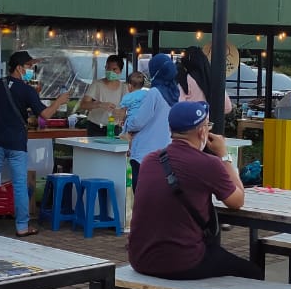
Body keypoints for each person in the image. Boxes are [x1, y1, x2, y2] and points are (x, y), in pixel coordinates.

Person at [128, 101, 276, 289]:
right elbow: (237, 200)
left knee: (210, 266)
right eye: (207, 125)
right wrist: (225, 155)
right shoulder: (208, 164)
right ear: (201, 132)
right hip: (179, 260)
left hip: (140, 257)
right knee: (253, 275)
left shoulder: (153, 159)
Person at [0, 51, 70, 236]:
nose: (30, 70)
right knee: (19, 185)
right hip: (16, 143)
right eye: (28, 66)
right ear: (19, 67)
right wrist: (58, 101)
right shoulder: (27, 90)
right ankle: (22, 227)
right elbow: (46, 115)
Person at [124, 53, 178, 191]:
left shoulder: (154, 93)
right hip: (166, 153)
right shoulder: (176, 93)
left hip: (144, 153)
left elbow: (138, 121)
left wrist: (127, 124)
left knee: (142, 196)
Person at [78, 54, 126, 136]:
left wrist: (122, 114)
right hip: (96, 127)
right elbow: (83, 104)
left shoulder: (124, 88)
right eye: (108, 68)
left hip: (115, 128)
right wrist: (99, 104)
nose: (111, 72)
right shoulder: (97, 84)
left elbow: (126, 109)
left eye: (114, 69)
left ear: (120, 71)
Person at [177, 45, 232, 113]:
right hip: (210, 122)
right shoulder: (214, 79)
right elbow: (227, 107)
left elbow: (179, 106)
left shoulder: (186, 79)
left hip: (192, 121)